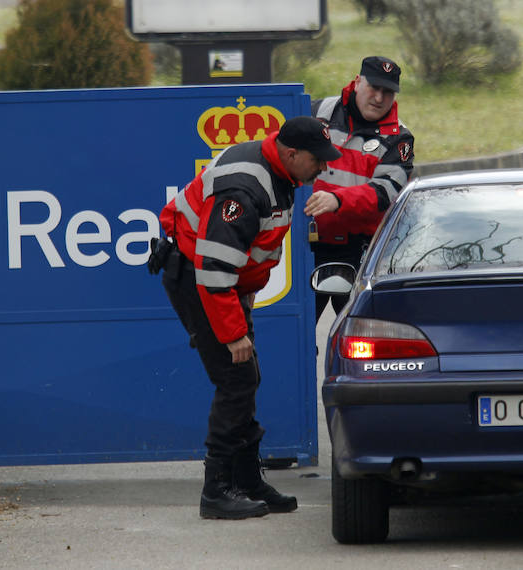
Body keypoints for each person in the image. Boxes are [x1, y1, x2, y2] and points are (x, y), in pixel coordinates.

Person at [150, 116, 341, 520]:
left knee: (245, 377)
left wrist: (247, 294)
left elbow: (246, 251)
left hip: (224, 285)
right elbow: (214, 269)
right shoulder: (245, 187)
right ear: (291, 154)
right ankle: (216, 492)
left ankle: (246, 480)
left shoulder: (280, 171)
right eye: (317, 160)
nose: (323, 168)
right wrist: (234, 332)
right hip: (202, 281)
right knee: (236, 380)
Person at [304, 56, 415, 322]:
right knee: (298, 339)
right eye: (373, 88)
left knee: (362, 337)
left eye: (387, 92)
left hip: (360, 253)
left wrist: (337, 200)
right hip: (306, 247)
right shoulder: (317, 112)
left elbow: (385, 193)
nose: (379, 98)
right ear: (357, 83)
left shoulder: (400, 138)